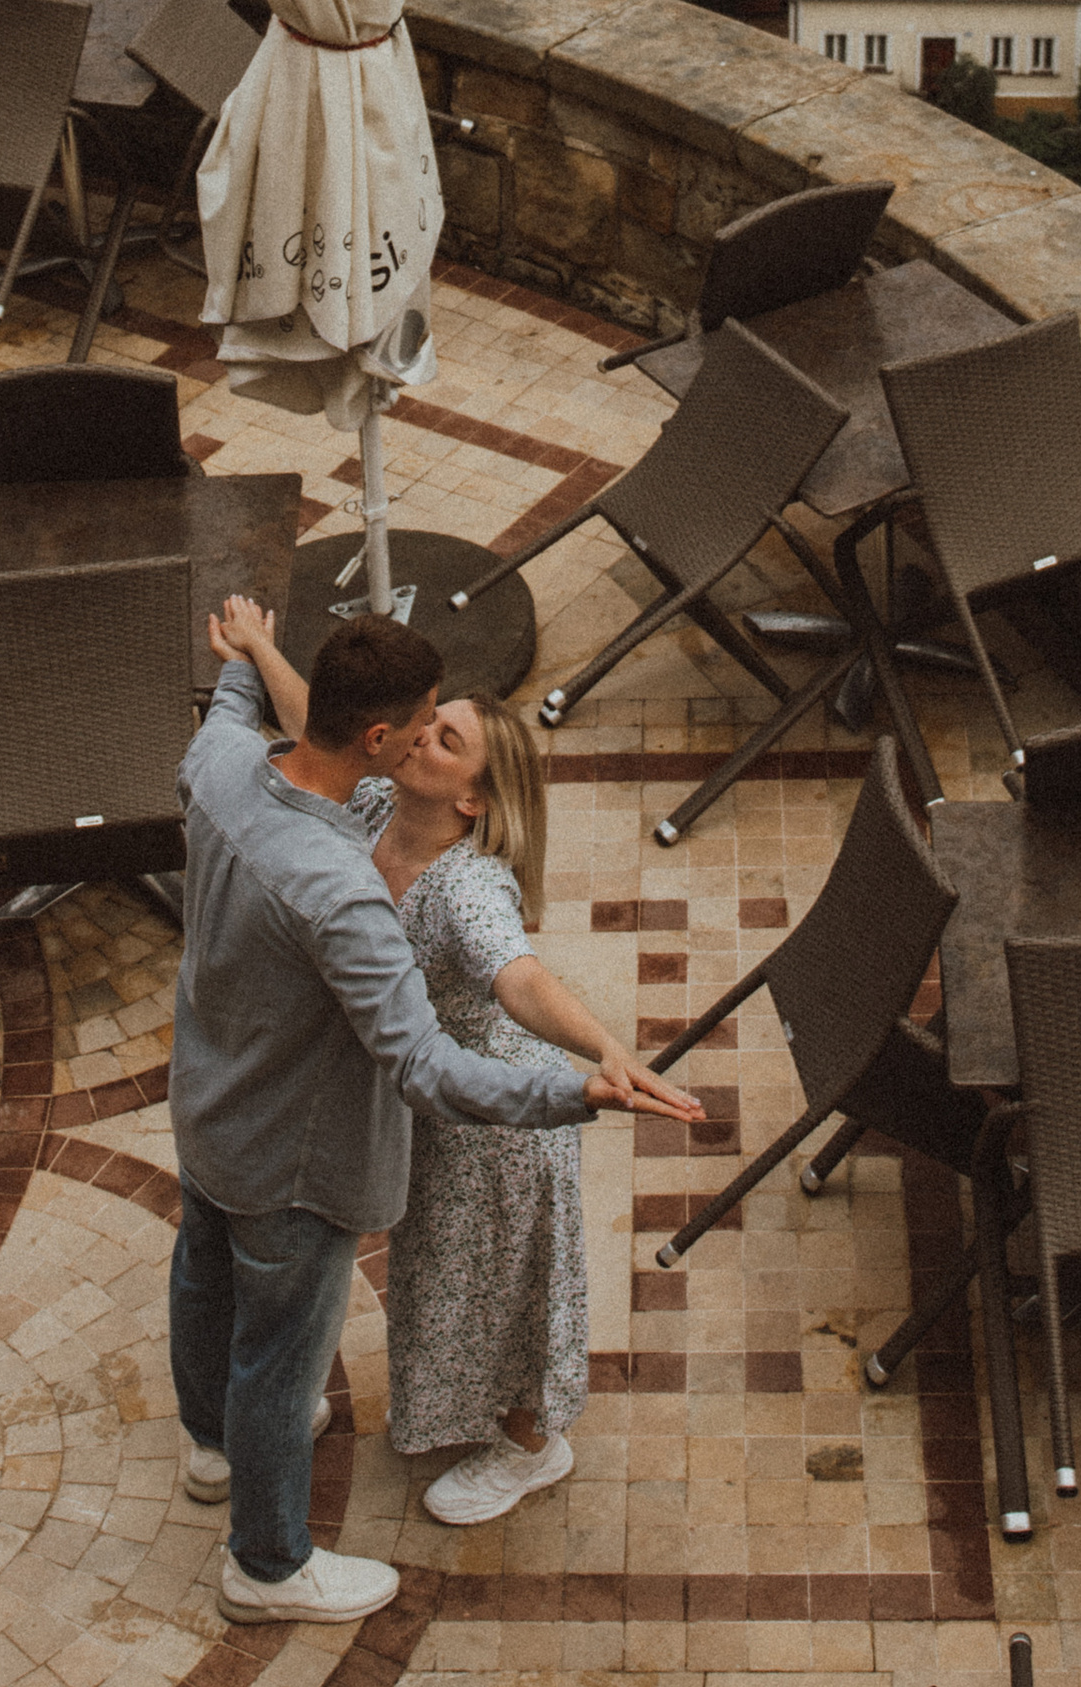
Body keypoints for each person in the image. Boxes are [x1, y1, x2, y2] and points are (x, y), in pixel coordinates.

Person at [169, 606, 696, 1627]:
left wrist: (245, 656)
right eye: (419, 725)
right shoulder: (341, 885)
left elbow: (517, 975)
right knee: (279, 1364)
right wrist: (575, 1092)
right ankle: (268, 1566)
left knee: (204, 1275)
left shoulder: (221, 769)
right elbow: (421, 1066)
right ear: (379, 743)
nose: (421, 740)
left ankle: (212, 1447)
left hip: (208, 1105)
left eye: (440, 736)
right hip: (292, 1151)